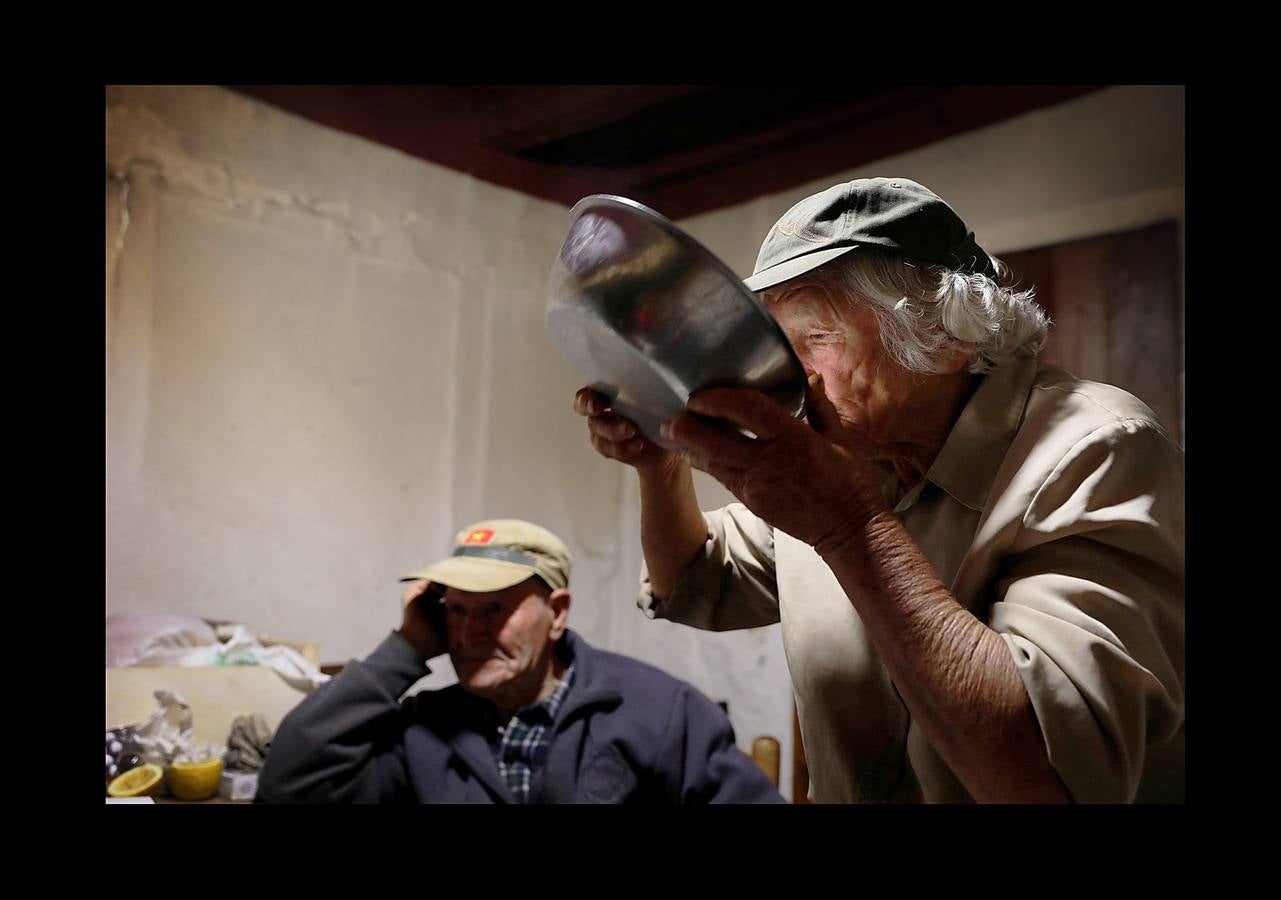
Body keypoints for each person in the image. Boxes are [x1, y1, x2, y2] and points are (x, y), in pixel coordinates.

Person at [575, 177, 1184, 803]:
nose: (784, 376)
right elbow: (698, 580)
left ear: (947, 338)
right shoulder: (845, 451)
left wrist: (850, 525)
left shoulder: (1094, 446)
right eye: (773, 344)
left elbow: (1051, 775)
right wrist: (662, 464)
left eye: (815, 337)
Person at [256, 518, 783, 803]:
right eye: (455, 610)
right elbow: (289, 784)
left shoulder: (659, 712)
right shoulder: (425, 730)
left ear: (556, 614)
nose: (468, 632)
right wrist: (406, 648)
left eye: (494, 609)